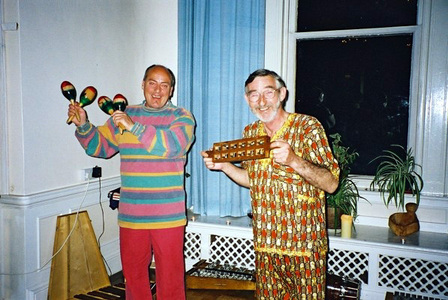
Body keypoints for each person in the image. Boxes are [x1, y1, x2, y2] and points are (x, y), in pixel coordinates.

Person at [201, 69, 339, 299]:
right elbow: (253, 180)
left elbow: (331, 184)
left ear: (282, 93)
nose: (262, 101)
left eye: (269, 92)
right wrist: (224, 166)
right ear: (247, 99)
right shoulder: (251, 133)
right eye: (254, 95)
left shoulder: (308, 127)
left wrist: (294, 160)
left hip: (304, 248)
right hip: (265, 244)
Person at [68, 64, 196, 300]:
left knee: (171, 277)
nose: (157, 90)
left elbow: (171, 146)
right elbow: (100, 147)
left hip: (167, 214)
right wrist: (83, 125)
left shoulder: (182, 117)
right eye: (152, 83)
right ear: (143, 85)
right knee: (134, 276)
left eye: (164, 85)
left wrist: (133, 127)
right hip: (132, 214)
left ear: (171, 90)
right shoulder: (125, 114)